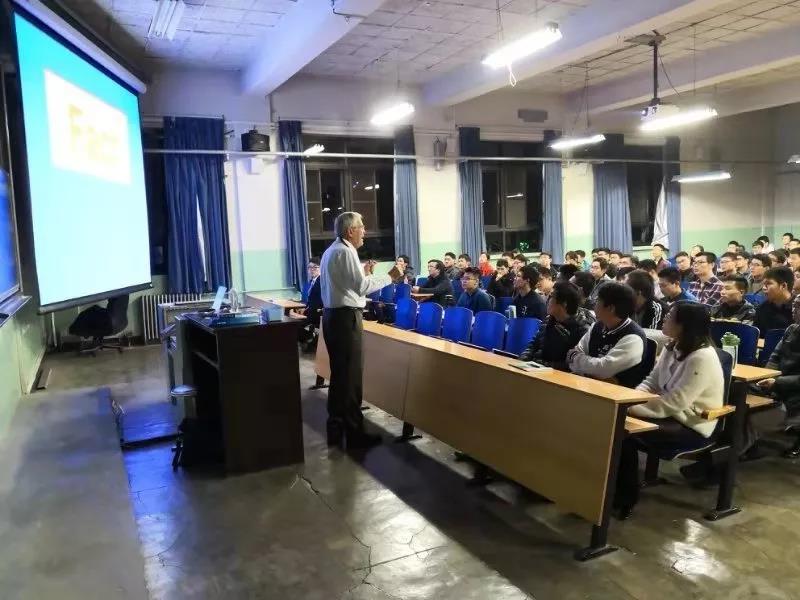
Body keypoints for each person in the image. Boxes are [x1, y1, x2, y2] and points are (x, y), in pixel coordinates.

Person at [614, 302, 724, 519]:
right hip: (668, 415)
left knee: (623, 434)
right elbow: (651, 382)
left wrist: (632, 409)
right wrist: (632, 400)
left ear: (684, 325)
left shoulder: (702, 356)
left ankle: (624, 498)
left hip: (692, 423)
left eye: (670, 316)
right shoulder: (672, 346)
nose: (664, 318)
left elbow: (675, 402)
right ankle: (611, 491)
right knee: (615, 426)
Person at [320, 212, 404, 448]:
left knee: (340, 377)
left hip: (333, 317)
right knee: (351, 378)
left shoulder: (332, 250)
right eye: (361, 226)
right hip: (346, 319)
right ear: (350, 231)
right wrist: (390, 276)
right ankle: (355, 434)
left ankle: (336, 429)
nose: (365, 231)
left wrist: (364, 272)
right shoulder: (346, 252)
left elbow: (347, 284)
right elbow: (361, 288)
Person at [566, 282, 648, 388]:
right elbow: (574, 354)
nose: (594, 304)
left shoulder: (633, 338)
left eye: (598, 301)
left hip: (616, 394)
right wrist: (588, 367)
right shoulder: (597, 326)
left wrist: (578, 361)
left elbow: (602, 370)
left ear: (611, 308)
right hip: (588, 387)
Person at [519, 281, 590, 370]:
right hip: (536, 368)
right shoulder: (549, 319)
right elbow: (533, 345)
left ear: (564, 303)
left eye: (551, 297)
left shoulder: (581, 328)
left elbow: (573, 363)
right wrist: (524, 358)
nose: (547, 300)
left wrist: (547, 365)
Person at [753, 325, 800, 458]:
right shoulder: (791, 329)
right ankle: (745, 440)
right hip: (778, 381)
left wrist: (777, 382)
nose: (794, 313)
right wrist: (768, 376)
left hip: (794, 388)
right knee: (743, 389)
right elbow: (775, 357)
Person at [754, 266, 795, 335]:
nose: (764, 288)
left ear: (783, 286)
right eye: (763, 284)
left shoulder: (797, 309)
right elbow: (757, 336)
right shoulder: (762, 308)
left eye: (768, 284)